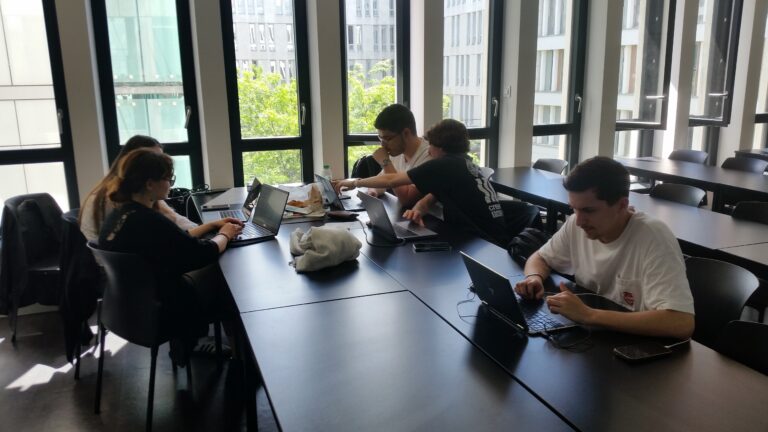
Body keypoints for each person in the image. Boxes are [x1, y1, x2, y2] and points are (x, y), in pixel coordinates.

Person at [514, 156, 695, 339]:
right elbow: (541, 258)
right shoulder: (577, 224)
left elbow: (681, 322)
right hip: (598, 336)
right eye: (574, 209)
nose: (579, 221)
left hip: (638, 343)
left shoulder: (653, 237)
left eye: (589, 210)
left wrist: (589, 315)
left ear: (622, 205)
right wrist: (533, 277)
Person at [98, 148, 243, 356]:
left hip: (126, 309)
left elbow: (174, 240)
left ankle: (192, 347)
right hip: (164, 312)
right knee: (230, 290)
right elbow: (203, 253)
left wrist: (212, 226)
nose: (171, 184)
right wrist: (226, 235)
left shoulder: (121, 215)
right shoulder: (149, 220)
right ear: (150, 184)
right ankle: (241, 361)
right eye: (168, 178)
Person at [335, 118, 510, 246]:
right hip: (492, 238)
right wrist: (419, 208)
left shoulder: (444, 164)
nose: (429, 150)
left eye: (431, 144)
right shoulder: (465, 163)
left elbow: (392, 180)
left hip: (484, 243)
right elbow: (437, 192)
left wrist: (355, 183)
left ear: (440, 147)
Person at [79, 135, 227, 242]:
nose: (161, 164)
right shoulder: (122, 202)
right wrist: (221, 235)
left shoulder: (133, 194)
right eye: (153, 159)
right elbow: (178, 237)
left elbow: (177, 225)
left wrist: (210, 227)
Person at [367, 104, 433, 207]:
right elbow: (381, 181)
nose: (383, 145)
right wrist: (373, 191)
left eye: (387, 138)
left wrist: (386, 162)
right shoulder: (397, 152)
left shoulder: (430, 155)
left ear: (406, 133)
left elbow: (407, 199)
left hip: (433, 216)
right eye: (380, 138)